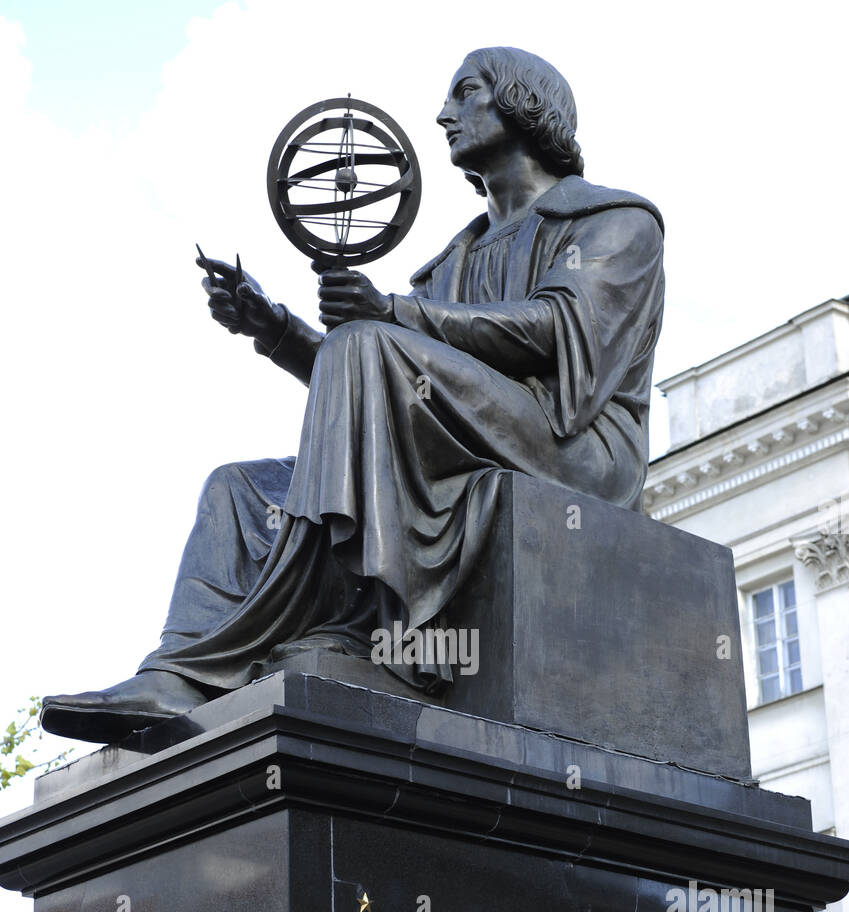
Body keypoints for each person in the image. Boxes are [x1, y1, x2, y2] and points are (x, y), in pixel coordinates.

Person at [42, 46, 665, 744]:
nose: (442, 114)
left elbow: (556, 330)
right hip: (467, 444)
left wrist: (392, 313)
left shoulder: (614, 221)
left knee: (364, 342)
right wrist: (276, 330)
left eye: (465, 93)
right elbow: (373, 388)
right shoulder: (451, 262)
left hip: (569, 446)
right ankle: (175, 675)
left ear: (522, 101)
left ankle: (352, 640)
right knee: (239, 491)